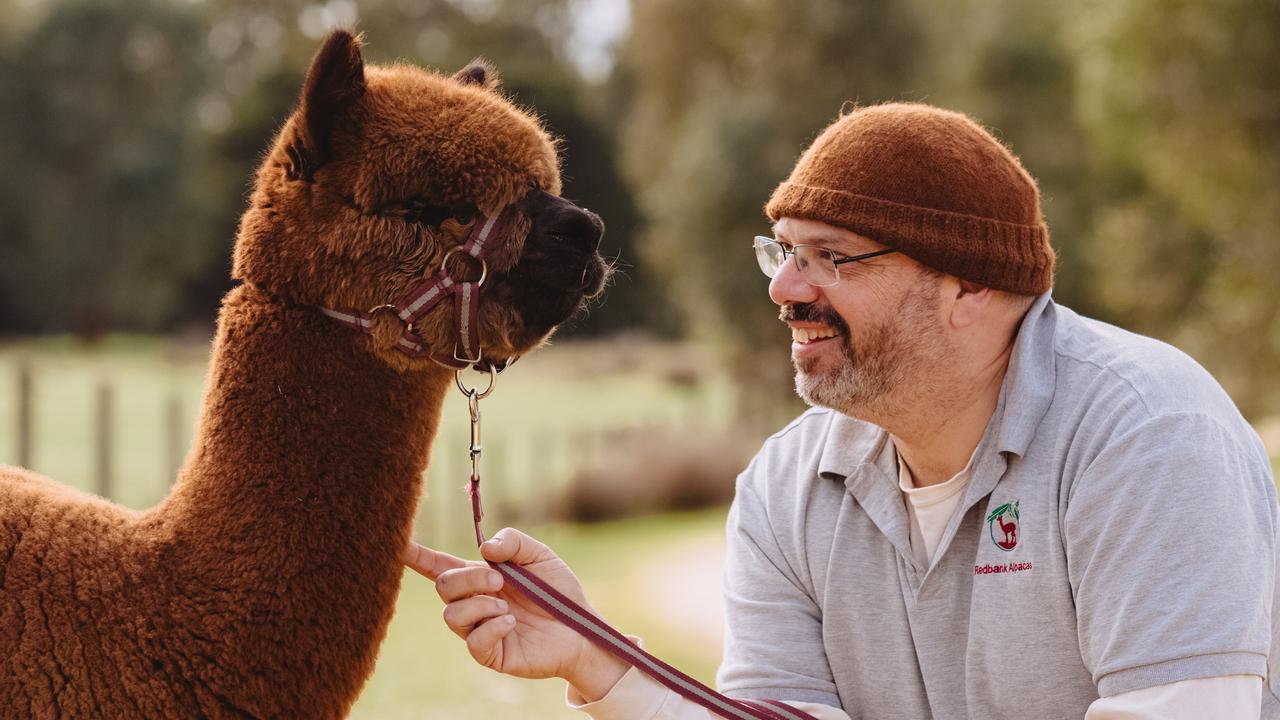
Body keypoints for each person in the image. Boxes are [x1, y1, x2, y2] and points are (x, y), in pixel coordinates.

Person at [404, 102, 1280, 718]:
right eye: (782, 253)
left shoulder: (1146, 437)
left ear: (970, 284)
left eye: (832, 257)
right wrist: (599, 661)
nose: (785, 290)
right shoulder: (787, 486)